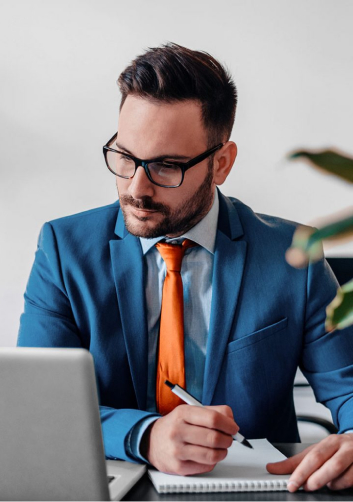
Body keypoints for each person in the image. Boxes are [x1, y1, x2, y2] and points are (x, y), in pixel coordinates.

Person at [18, 43, 353, 492]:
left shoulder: (294, 256)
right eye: (124, 156)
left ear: (221, 164)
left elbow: (348, 389)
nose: (136, 187)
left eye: (166, 167)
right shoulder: (63, 250)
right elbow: (36, 406)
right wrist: (145, 435)